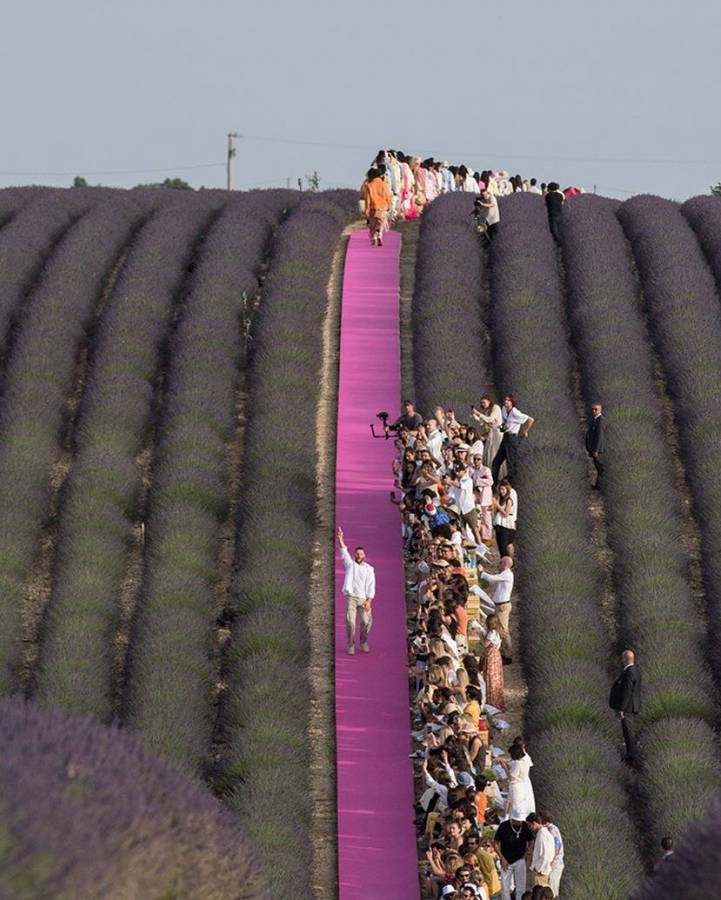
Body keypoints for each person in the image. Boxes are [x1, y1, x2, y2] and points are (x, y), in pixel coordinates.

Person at [337, 527, 375, 654]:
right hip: (352, 597)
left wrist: (369, 601)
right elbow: (343, 552)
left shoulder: (369, 569)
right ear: (355, 555)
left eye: (361, 554)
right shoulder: (350, 565)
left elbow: (371, 585)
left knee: (365, 621)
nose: (359, 556)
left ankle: (363, 641)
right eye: (357, 554)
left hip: (363, 599)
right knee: (350, 622)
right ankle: (350, 644)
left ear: (364, 556)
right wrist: (340, 539)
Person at [609, 648, 642, 766]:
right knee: (629, 731)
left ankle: (632, 757)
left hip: (628, 708)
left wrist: (621, 709)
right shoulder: (635, 670)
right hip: (631, 707)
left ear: (624, 659)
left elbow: (627, 691)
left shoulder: (629, 672)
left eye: (622, 658)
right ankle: (631, 755)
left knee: (628, 732)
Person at [491, 394, 534, 484]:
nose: (506, 402)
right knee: (496, 462)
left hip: (512, 438)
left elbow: (530, 420)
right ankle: (493, 484)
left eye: (508, 400)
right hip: (505, 436)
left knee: (510, 463)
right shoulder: (504, 409)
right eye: (505, 400)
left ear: (512, 402)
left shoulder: (515, 412)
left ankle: (511, 485)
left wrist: (526, 431)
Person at [479, 556, 514, 662]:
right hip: (500, 605)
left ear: (504, 564)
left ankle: (508, 654)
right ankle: (503, 652)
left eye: (500, 563)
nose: (498, 564)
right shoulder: (504, 574)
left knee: (503, 631)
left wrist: (482, 572)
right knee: (499, 629)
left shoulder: (507, 575)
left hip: (503, 606)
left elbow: (492, 579)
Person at [494, 811, 532, 900]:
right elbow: (495, 843)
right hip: (506, 860)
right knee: (505, 887)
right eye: (517, 820)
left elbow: (531, 841)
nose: (519, 822)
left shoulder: (525, 826)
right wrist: (502, 858)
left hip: (520, 859)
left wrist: (526, 854)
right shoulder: (504, 826)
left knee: (521, 887)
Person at [471, 395, 503, 469]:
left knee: (495, 452)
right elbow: (482, 422)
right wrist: (474, 415)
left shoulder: (496, 408)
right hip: (491, 434)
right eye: (481, 403)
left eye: (484, 402)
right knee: (488, 453)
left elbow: (489, 419)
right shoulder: (488, 411)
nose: (482, 404)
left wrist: (478, 413)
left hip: (496, 433)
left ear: (489, 401)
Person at [504, 742, 535, 819]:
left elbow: (511, 777)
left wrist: (505, 768)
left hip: (516, 786)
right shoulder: (525, 761)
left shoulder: (518, 763)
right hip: (521, 785)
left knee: (514, 806)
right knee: (516, 805)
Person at [526, 813, 555, 889]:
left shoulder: (542, 835)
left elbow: (545, 855)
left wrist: (538, 868)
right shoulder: (546, 833)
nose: (530, 828)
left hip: (540, 872)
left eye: (530, 825)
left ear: (534, 823)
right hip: (544, 869)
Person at [364, 167, 392, 246]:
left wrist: (367, 209)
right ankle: (380, 234)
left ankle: (373, 238)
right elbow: (388, 196)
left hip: (373, 208)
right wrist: (389, 205)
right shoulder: (384, 184)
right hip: (383, 207)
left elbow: (368, 199)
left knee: (372, 225)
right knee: (381, 223)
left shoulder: (369, 185)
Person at [482, 614, 505, 710]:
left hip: (492, 656)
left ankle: (492, 702)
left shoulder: (491, 633)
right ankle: (497, 700)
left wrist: (479, 634)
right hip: (496, 656)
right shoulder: (497, 632)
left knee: (491, 677)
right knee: (496, 677)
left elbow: (485, 644)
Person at [540, 811, 564, 897]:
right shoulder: (548, 829)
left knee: (552, 890)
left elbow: (556, 848)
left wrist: (550, 861)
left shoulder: (553, 830)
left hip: (555, 864)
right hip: (553, 864)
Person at [492, 479, 517, 559]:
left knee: (504, 546)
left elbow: (506, 513)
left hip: (506, 525)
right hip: (499, 523)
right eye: (500, 489)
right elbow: (496, 511)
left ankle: (507, 561)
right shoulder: (500, 499)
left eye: (503, 489)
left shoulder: (509, 500)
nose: (501, 491)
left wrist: (497, 505)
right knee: (502, 545)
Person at [585, 401, 606, 489]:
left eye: (596, 409)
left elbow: (600, 436)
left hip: (598, 450)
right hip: (593, 449)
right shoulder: (594, 420)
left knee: (601, 468)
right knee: (598, 468)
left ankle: (601, 486)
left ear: (600, 410)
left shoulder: (600, 420)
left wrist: (596, 450)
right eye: (592, 409)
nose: (593, 411)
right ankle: (598, 486)